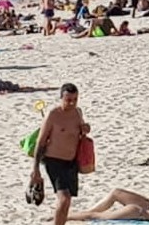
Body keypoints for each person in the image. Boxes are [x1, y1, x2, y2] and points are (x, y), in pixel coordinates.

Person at [32, 83, 91, 225]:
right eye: (68, 100)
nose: (72, 103)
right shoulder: (53, 115)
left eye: (75, 99)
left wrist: (86, 129)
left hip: (71, 162)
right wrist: (35, 170)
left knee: (68, 200)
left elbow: (80, 132)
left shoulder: (78, 112)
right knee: (63, 198)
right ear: (61, 98)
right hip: (54, 160)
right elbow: (40, 143)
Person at [64, 188, 149, 222]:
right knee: (116, 192)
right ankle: (86, 212)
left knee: (94, 217)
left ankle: (61, 217)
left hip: (143, 212)